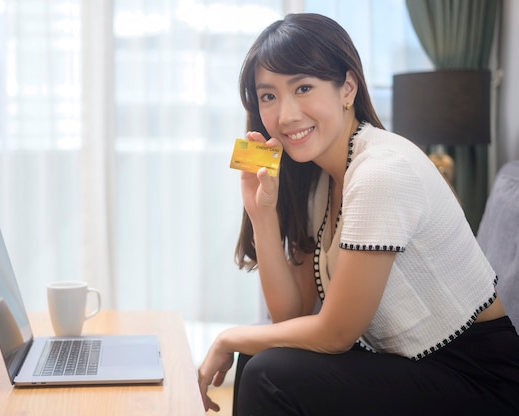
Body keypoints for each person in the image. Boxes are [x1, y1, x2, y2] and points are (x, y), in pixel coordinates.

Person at [197, 13, 519, 415]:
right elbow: (290, 314)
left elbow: (335, 334)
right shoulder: (319, 177)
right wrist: (262, 213)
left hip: (479, 377)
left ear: (346, 88)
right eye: (268, 96)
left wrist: (228, 337)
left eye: (303, 88)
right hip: (413, 365)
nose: (286, 114)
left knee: (267, 369)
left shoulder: (380, 173)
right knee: (264, 357)